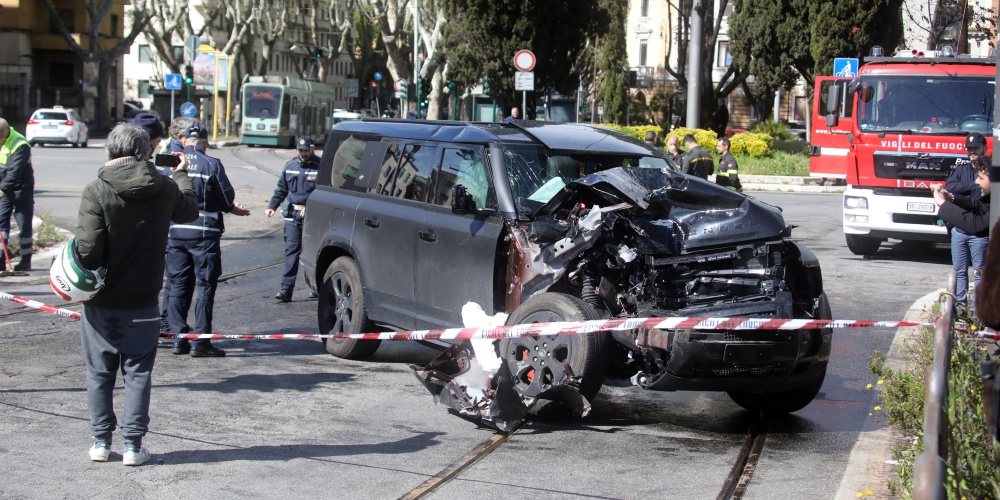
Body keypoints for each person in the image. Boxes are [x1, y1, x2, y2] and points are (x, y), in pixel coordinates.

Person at [75, 123, 199, 466]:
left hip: (101, 299)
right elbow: (190, 209)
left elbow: (86, 250)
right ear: (145, 152)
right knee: (138, 372)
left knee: (100, 373)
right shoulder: (162, 187)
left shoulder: (96, 189)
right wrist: (181, 175)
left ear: (110, 152)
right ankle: (133, 446)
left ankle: (101, 442)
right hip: (144, 299)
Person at [166, 124, 251, 357]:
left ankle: (178, 338)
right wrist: (232, 209)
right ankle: (201, 341)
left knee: (177, 285)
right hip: (204, 234)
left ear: (184, 141)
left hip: (176, 233)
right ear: (205, 143)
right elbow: (226, 198)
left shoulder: (171, 165)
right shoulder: (211, 163)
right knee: (205, 286)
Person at [265, 136, 320, 302]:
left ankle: (316, 288)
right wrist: (271, 206)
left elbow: (325, 193)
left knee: (315, 253)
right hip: (293, 216)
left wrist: (311, 208)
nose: (303, 154)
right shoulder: (289, 166)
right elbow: (281, 189)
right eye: (300, 150)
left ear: (312, 149)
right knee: (291, 252)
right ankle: (286, 289)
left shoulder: (321, 167)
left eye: (306, 150)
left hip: (314, 218)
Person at [943, 132, 990, 318]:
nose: (972, 152)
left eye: (976, 149)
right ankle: (961, 307)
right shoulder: (961, 169)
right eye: (970, 149)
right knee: (960, 270)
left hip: (979, 231)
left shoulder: (989, 170)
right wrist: (973, 186)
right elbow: (950, 187)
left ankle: (977, 310)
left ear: (985, 149)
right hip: (960, 229)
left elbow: (978, 199)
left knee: (980, 271)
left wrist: (964, 188)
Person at [0, 118, 33, 271]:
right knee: (1, 224)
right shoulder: (2, 140)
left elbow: (15, 172)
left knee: (24, 224)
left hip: (22, 189)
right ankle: (1, 260)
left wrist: (2, 188)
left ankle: (25, 261)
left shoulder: (20, 144)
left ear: (7, 130)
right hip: (5, 189)